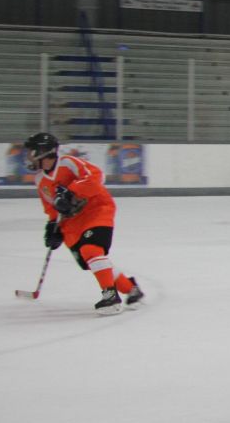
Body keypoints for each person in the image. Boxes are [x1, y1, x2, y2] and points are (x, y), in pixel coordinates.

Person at [24, 132, 145, 315]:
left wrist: (71, 192)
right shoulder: (40, 180)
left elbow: (97, 176)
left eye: (33, 152)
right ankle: (131, 289)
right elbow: (51, 207)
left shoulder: (67, 163)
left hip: (96, 210)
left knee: (91, 250)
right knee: (91, 261)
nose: (30, 156)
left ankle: (110, 297)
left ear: (44, 152)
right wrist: (52, 227)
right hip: (72, 223)